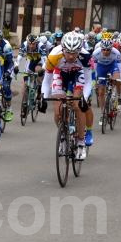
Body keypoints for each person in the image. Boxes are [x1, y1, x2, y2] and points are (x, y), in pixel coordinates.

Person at [41, 32, 94, 160]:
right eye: (68, 52)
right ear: (63, 49)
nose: (71, 56)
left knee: (78, 106)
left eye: (74, 53)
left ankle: (81, 143)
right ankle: (63, 136)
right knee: (58, 110)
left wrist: (84, 99)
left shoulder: (85, 56)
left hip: (77, 74)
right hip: (60, 74)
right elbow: (47, 80)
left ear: (79, 50)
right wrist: (42, 97)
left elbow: (88, 81)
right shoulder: (54, 55)